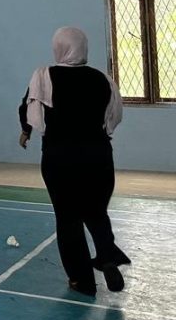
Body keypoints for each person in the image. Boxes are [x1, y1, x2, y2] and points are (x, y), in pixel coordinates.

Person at [19, 27, 128, 297]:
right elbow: (114, 115)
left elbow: (28, 106)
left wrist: (26, 131)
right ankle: (107, 256)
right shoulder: (102, 79)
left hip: (60, 157)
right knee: (96, 211)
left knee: (68, 218)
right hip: (99, 156)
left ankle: (82, 280)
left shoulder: (44, 75)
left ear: (59, 47)